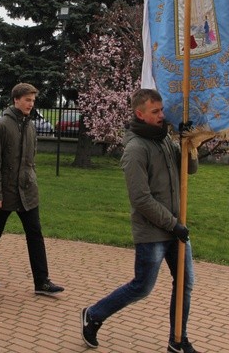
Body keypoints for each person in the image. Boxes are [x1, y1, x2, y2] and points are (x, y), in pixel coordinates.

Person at [80, 88, 199, 353]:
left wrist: (189, 143)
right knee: (142, 286)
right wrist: (173, 224)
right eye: (155, 111)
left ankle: (177, 339)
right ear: (140, 113)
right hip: (153, 232)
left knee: (185, 284)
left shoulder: (165, 140)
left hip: (175, 229)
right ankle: (94, 313)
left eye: (162, 110)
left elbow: (190, 169)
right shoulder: (135, 149)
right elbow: (141, 199)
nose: (161, 115)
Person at [0, 83, 64, 295]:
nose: (30, 104)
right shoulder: (2, 125)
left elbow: (31, 159)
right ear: (16, 99)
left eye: (33, 101)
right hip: (5, 191)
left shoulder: (31, 125)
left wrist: (31, 179)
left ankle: (41, 281)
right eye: (27, 100)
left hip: (28, 191)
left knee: (35, 234)